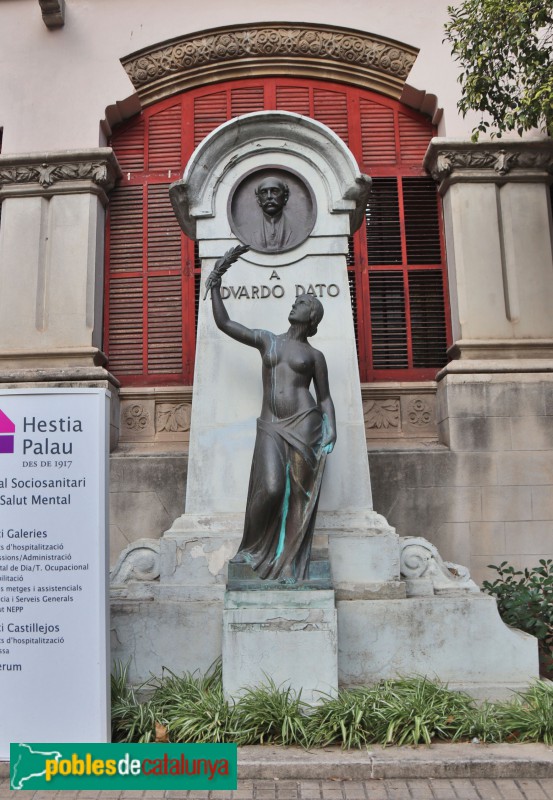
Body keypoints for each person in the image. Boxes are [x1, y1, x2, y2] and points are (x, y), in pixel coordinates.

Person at [206, 246, 336, 583]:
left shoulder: (315, 355)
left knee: (297, 498)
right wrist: (216, 285)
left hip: (305, 427)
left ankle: (288, 561)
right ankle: (252, 550)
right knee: (272, 488)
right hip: (271, 427)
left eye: (303, 303)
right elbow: (225, 324)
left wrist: (331, 429)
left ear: (312, 317)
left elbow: (324, 399)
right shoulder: (269, 341)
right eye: (297, 302)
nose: (295, 304)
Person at [249, 176, 294, 252]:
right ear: (258, 200)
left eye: (275, 192)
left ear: (285, 197)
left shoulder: (298, 226)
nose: (269, 197)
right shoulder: (248, 229)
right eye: (264, 193)